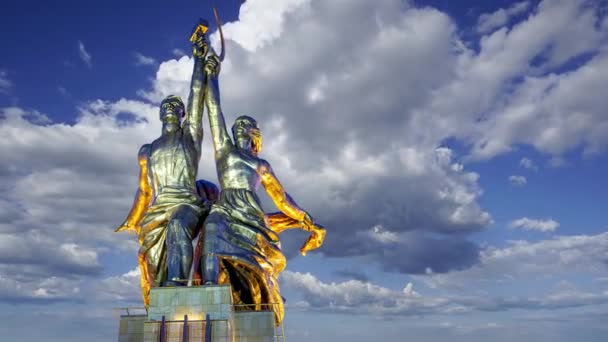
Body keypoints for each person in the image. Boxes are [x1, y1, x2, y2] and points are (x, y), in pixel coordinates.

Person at [199, 55, 326, 325]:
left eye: (246, 124)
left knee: (256, 265)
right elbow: (214, 111)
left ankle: (254, 301)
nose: (240, 127)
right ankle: (209, 294)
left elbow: (282, 198)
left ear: (255, 134)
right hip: (226, 206)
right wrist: (212, 76)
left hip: (252, 214)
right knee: (211, 229)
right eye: (237, 125)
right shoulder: (225, 151)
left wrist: (306, 218)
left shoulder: (261, 164)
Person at [115, 24, 211, 307]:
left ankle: (179, 289)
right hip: (156, 212)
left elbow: (197, 97)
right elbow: (144, 191)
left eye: (176, 106)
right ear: (159, 113)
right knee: (155, 265)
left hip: (186, 205)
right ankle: (162, 307)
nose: (171, 107)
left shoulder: (189, 137)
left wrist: (198, 59)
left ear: (183, 114)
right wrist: (132, 219)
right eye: (166, 105)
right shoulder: (147, 150)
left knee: (178, 227)